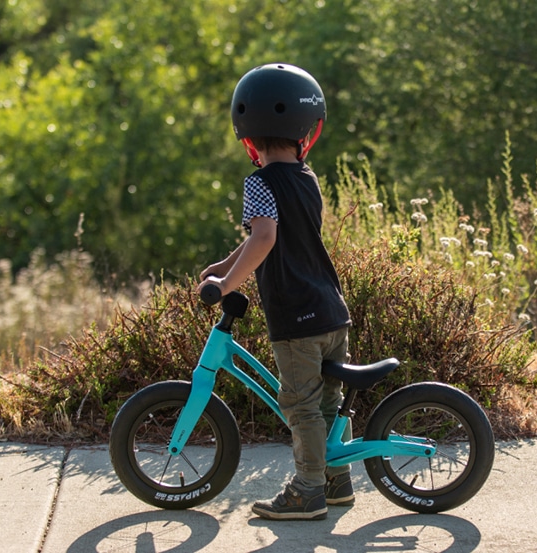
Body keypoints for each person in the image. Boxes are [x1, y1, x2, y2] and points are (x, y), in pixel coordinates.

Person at [198, 63, 353, 521]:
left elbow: (264, 237)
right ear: (307, 132)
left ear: (248, 137)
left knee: (302, 406)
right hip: (330, 309)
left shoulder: (259, 183)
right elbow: (271, 236)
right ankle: (335, 481)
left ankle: (308, 491)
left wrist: (225, 284)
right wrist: (226, 264)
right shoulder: (307, 179)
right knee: (327, 403)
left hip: (297, 317)